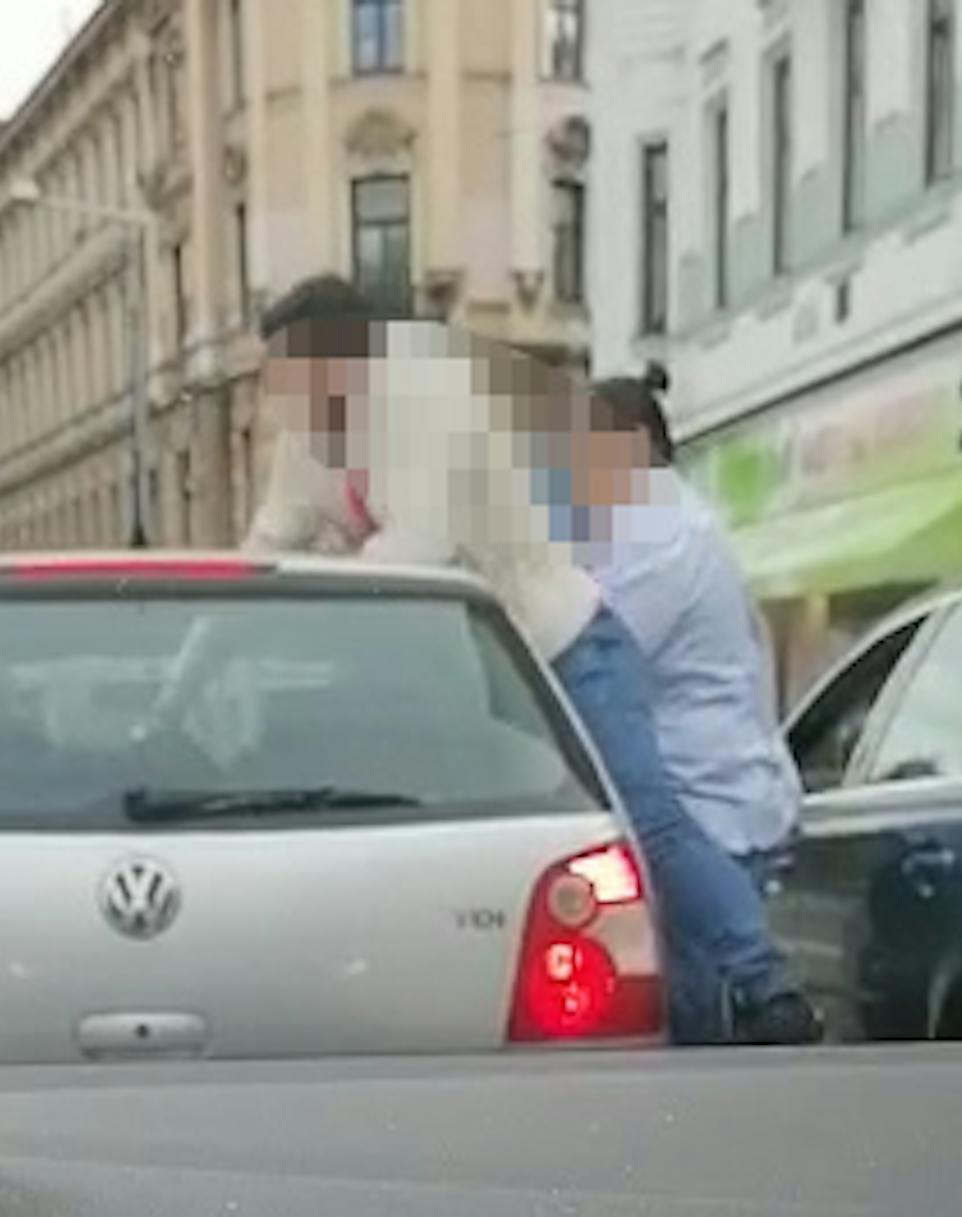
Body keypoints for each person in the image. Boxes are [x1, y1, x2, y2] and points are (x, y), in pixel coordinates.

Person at [208, 273, 819, 1045]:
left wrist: (330, 578)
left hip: (566, 648)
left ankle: (764, 983)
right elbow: (268, 546)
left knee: (645, 823)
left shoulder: (427, 406)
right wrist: (205, 638)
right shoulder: (309, 443)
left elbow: (417, 551)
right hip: (477, 679)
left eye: (290, 372)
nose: (278, 395)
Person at [565, 368, 809, 1043]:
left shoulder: (657, 530)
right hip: (718, 806)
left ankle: (762, 981)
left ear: (636, 444)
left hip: (709, 816)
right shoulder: (652, 524)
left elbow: (596, 647)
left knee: (705, 1054)